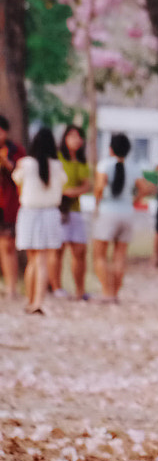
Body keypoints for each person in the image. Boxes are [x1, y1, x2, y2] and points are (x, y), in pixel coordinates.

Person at [13, 127, 64, 313]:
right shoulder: (57, 165)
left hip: (29, 213)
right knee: (41, 260)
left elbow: (17, 182)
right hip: (50, 214)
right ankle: (38, 301)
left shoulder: (25, 164)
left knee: (33, 260)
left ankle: (31, 300)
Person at [93, 132, 136, 301]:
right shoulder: (133, 166)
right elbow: (145, 188)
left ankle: (106, 291)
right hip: (127, 212)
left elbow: (99, 187)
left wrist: (98, 202)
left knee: (100, 255)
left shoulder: (104, 165)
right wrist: (135, 199)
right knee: (119, 256)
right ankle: (116, 293)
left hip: (108, 211)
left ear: (110, 149)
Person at [58, 124, 92, 300]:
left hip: (75, 209)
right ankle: (56, 287)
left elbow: (87, 184)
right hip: (59, 208)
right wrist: (64, 191)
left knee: (79, 250)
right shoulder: (57, 158)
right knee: (58, 250)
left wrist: (74, 192)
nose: (75, 140)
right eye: (71, 136)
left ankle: (80, 289)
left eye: (78, 136)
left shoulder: (81, 161)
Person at [0, 114, 26, 300]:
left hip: (8, 204)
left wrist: (6, 162)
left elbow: (20, 174)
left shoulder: (16, 150)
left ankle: (11, 288)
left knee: (7, 246)